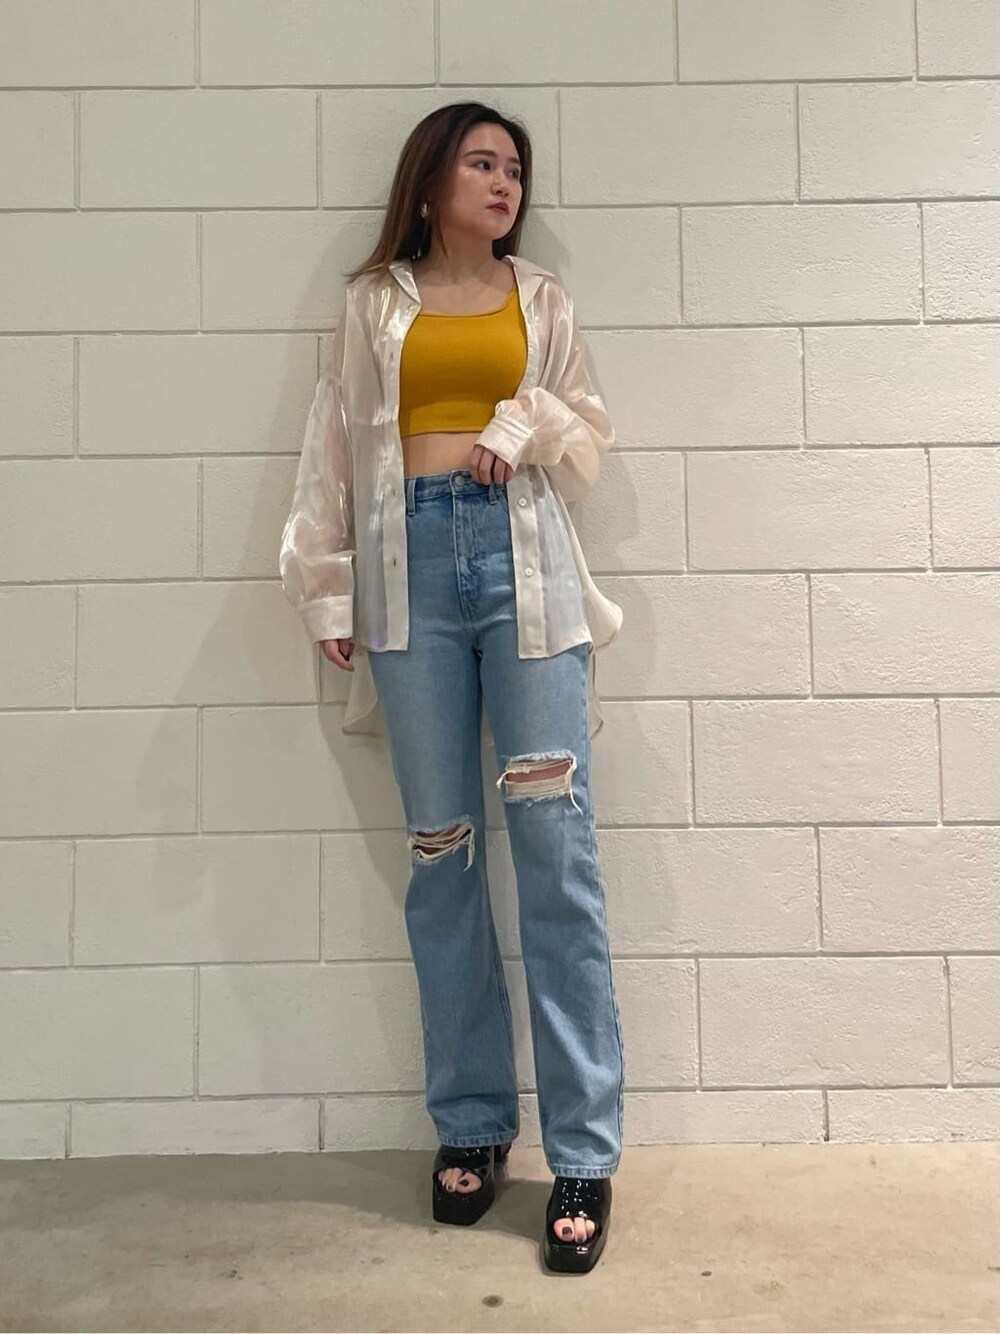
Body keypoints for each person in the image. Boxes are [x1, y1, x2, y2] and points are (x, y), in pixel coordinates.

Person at [279, 101, 626, 1274]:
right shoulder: (373, 302)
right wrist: (328, 589)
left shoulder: (542, 300)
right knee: (443, 852)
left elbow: (586, 430)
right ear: (430, 182)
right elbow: (334, 440)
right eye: (481, 162)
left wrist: (520, 421)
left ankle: (582, 1149)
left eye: (513, 167)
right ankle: (471, 1120)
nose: (502, 181)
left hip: (525, 577)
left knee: (555, 853)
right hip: (407, 583)